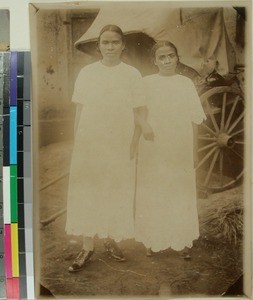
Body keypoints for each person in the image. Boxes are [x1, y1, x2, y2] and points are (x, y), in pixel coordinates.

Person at [65, 25, 149, 272]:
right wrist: (77, 141)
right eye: (105, 42)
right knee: (88, 191)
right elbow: (79, 110)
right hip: (90, 142)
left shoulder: (132, 74)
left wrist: (134, 140)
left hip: (119, 142)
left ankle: (110, 237)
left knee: (115, 190)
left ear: (123, 45)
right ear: (98, 46)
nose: (110, 47)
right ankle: (87, 245)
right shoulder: (87, 73)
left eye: (115, 42)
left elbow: (139, 111)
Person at [132, 41, 206, 258]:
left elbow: (195, 119)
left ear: (177, 58)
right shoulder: (146, 83)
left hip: (179, 145)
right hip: (154, 144)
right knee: (154, 189)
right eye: (161, 57)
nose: (166, 61)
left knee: (178, 189)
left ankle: (180, 240)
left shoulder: (185, 84)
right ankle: (152, 238)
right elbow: (134, 110)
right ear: (154, 61)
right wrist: (144, 125)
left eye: (170, 56)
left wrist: (193, 150)